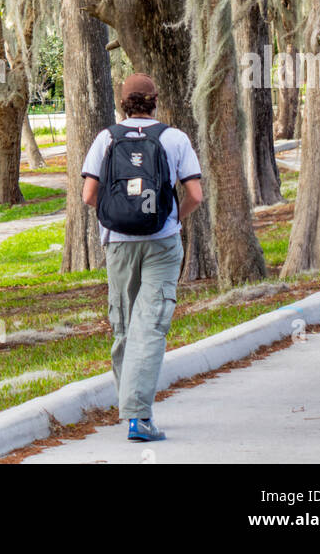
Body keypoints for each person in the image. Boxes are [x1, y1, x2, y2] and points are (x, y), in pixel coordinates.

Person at [81, 72, 203, 441]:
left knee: (124, 326)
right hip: (163, 244)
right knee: (150, 325)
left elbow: (89, 195)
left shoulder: (105, 139)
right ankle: (138, 416)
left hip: (118, 244)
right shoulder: (174, 138)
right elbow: (195, 195)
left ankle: (130, 407)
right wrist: (172, 219)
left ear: (122, 102)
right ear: (154, 101)